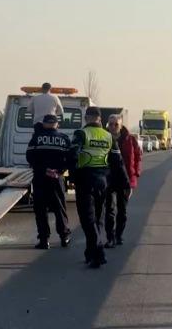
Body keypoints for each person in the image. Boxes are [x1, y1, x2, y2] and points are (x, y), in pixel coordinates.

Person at [71, 106, 115, 268]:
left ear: (86, 118)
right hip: (103, 182)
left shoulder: (81, 134)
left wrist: (72, 176)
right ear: (100, 119)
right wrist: (124, 184)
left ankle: (98, 251)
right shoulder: (108, 136)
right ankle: (91, 253)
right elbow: (117, 162)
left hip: (85, 181)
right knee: (98, 219)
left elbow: (72, 154)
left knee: (87, 219)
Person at [26, 114, 72, 249]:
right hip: (57, 179)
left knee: (40, 209)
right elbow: (70, 159)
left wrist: (44, 170)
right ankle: (64, 237)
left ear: (44, 123)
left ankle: (44, 239)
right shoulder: (64, 139)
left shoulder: (36, 138)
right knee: (59, 208)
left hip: (40, 177)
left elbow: (29, 157)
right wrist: (59, 171)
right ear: (57, 124)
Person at [104, 115, 142, 247]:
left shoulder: (130, 139)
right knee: (109, 209)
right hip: (108, 179)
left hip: (124, 180)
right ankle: (110, 237)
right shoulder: (103, 138)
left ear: (121, 126)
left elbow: (137, 157)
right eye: (111, 124)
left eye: (116, 124)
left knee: (122, 210)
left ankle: (118, 235)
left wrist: (135, 174)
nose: (113, 127)